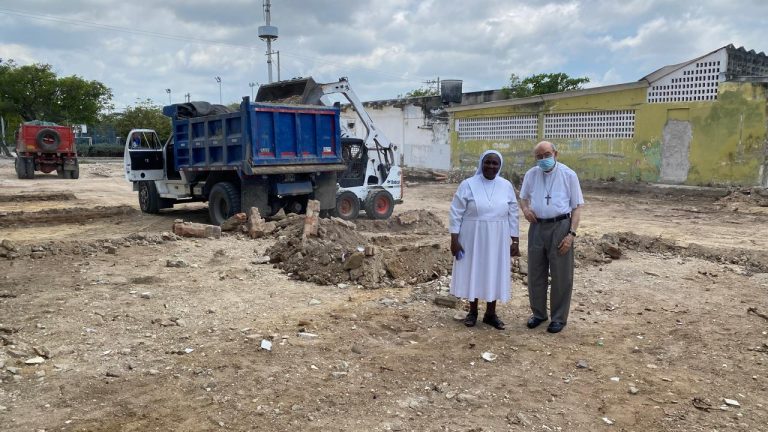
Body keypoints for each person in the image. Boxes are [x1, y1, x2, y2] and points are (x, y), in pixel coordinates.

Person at [449, 150, 520, 330]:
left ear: (500, 166)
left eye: (495, 163)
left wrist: (516, 240)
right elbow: (456, 212)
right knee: (474, 269)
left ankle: (490, 313)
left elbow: (513, 213)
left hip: (498, 236)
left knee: (493, 270)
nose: (491, 166)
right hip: (472, 234)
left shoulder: (506, 185)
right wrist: (454, 239)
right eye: (487, 162)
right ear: (481, 163)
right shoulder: (468, 184)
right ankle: (472, 312)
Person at [519, 141, 584, 334]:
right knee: (535, 272)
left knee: (561, 275)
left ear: (556, 153)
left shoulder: (568, 175)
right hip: (537, 226)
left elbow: (577, 206)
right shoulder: (531, 174)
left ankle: (558, 318)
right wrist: (525, 209)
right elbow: (523, 197)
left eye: (547, 155)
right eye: (539, 157)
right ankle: (538, 313)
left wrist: (571, 234)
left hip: (561, 226)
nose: (543, 159)